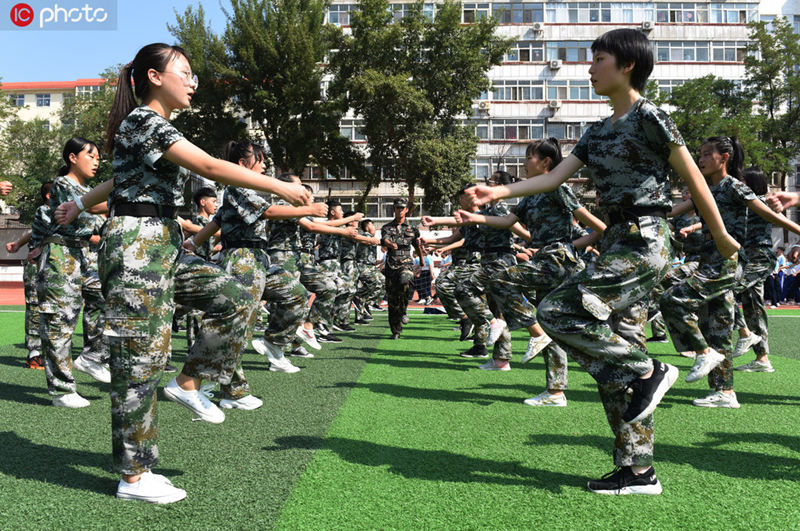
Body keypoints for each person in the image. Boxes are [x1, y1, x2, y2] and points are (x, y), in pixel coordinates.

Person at [466, 28, 739, 495]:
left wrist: (722, 237)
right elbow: (553, 180)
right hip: (616, 242)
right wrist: (499, 191)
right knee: (613, 361)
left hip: (646, 241)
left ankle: (652, 371)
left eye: (598, 59)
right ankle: (638, 470)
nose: (589, 68)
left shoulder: (651, 116)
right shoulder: (595, 131)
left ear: (627, 64)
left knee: (556, 310)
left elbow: (695, 180)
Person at [55, 43, 309, 504]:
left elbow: (117, 180)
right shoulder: (143, 120)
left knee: (234, 297)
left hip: (164, 241)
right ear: (154, 77)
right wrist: (278, 186)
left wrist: (78, 203)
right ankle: (132, 476)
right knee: (138, 361)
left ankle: (188, 381)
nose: (193, 82)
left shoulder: (155, 129)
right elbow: (211, 167)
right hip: (135, 245)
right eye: (185, 73)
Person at [455, 138, 606, 405]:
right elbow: (506, 222)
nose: (524, 164)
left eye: (528, 158)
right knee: (553, 323)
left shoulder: (557, 187)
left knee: (500, 279)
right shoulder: (530, 195)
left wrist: (591, 239)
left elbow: (590, 223)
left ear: (545, 162)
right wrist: (475, 217)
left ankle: (534, 332)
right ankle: (555, 392)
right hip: (545, 258)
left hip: (558, 259)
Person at [662, 139, 800, 409]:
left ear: (723, 158)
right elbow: (673, 211)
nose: (700, 159)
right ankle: (725, 392)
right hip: (708, 262)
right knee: (720, 330)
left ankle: (702, 352)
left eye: (706, 155)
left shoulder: (734, 187)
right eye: (698, 154)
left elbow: (770, 215)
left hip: (724, 264)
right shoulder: (703, 188)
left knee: (671, 299)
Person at [36, 138, 110, 408]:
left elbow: (96, 221)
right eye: (90, 155)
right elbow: (87, 215)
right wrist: (108, 210)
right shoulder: (63, 185)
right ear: (72, 158)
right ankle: (61, 389)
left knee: (109, 298)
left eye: (98, 157)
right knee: (60, 322)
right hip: (60, 256)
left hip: (84, 257)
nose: (96, 160)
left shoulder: (89, 191)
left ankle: (93, 356)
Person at [6, 182, 52, 370]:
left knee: (50, 307)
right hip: (36, 265)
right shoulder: (45, 210)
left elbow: (34, 231)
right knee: (35, 306)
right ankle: (34, 353)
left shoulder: (57, 213)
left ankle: (48, 349)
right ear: (49, 196)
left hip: (51, 264)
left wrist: (17, 244)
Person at [382, 198, 424, 339]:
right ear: (394, 209)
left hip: (406, 262)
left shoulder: (412, 229)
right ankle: (396, 330)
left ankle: (404, 309)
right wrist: (389, 244)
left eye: (402, 208)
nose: (399, 210)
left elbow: (417, 246)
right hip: (391, 264)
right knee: (393, 299)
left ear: (406, 210)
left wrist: (422, 262)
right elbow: (385, 239)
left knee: (406, 280)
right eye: (397, 208)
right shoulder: (387, 227)